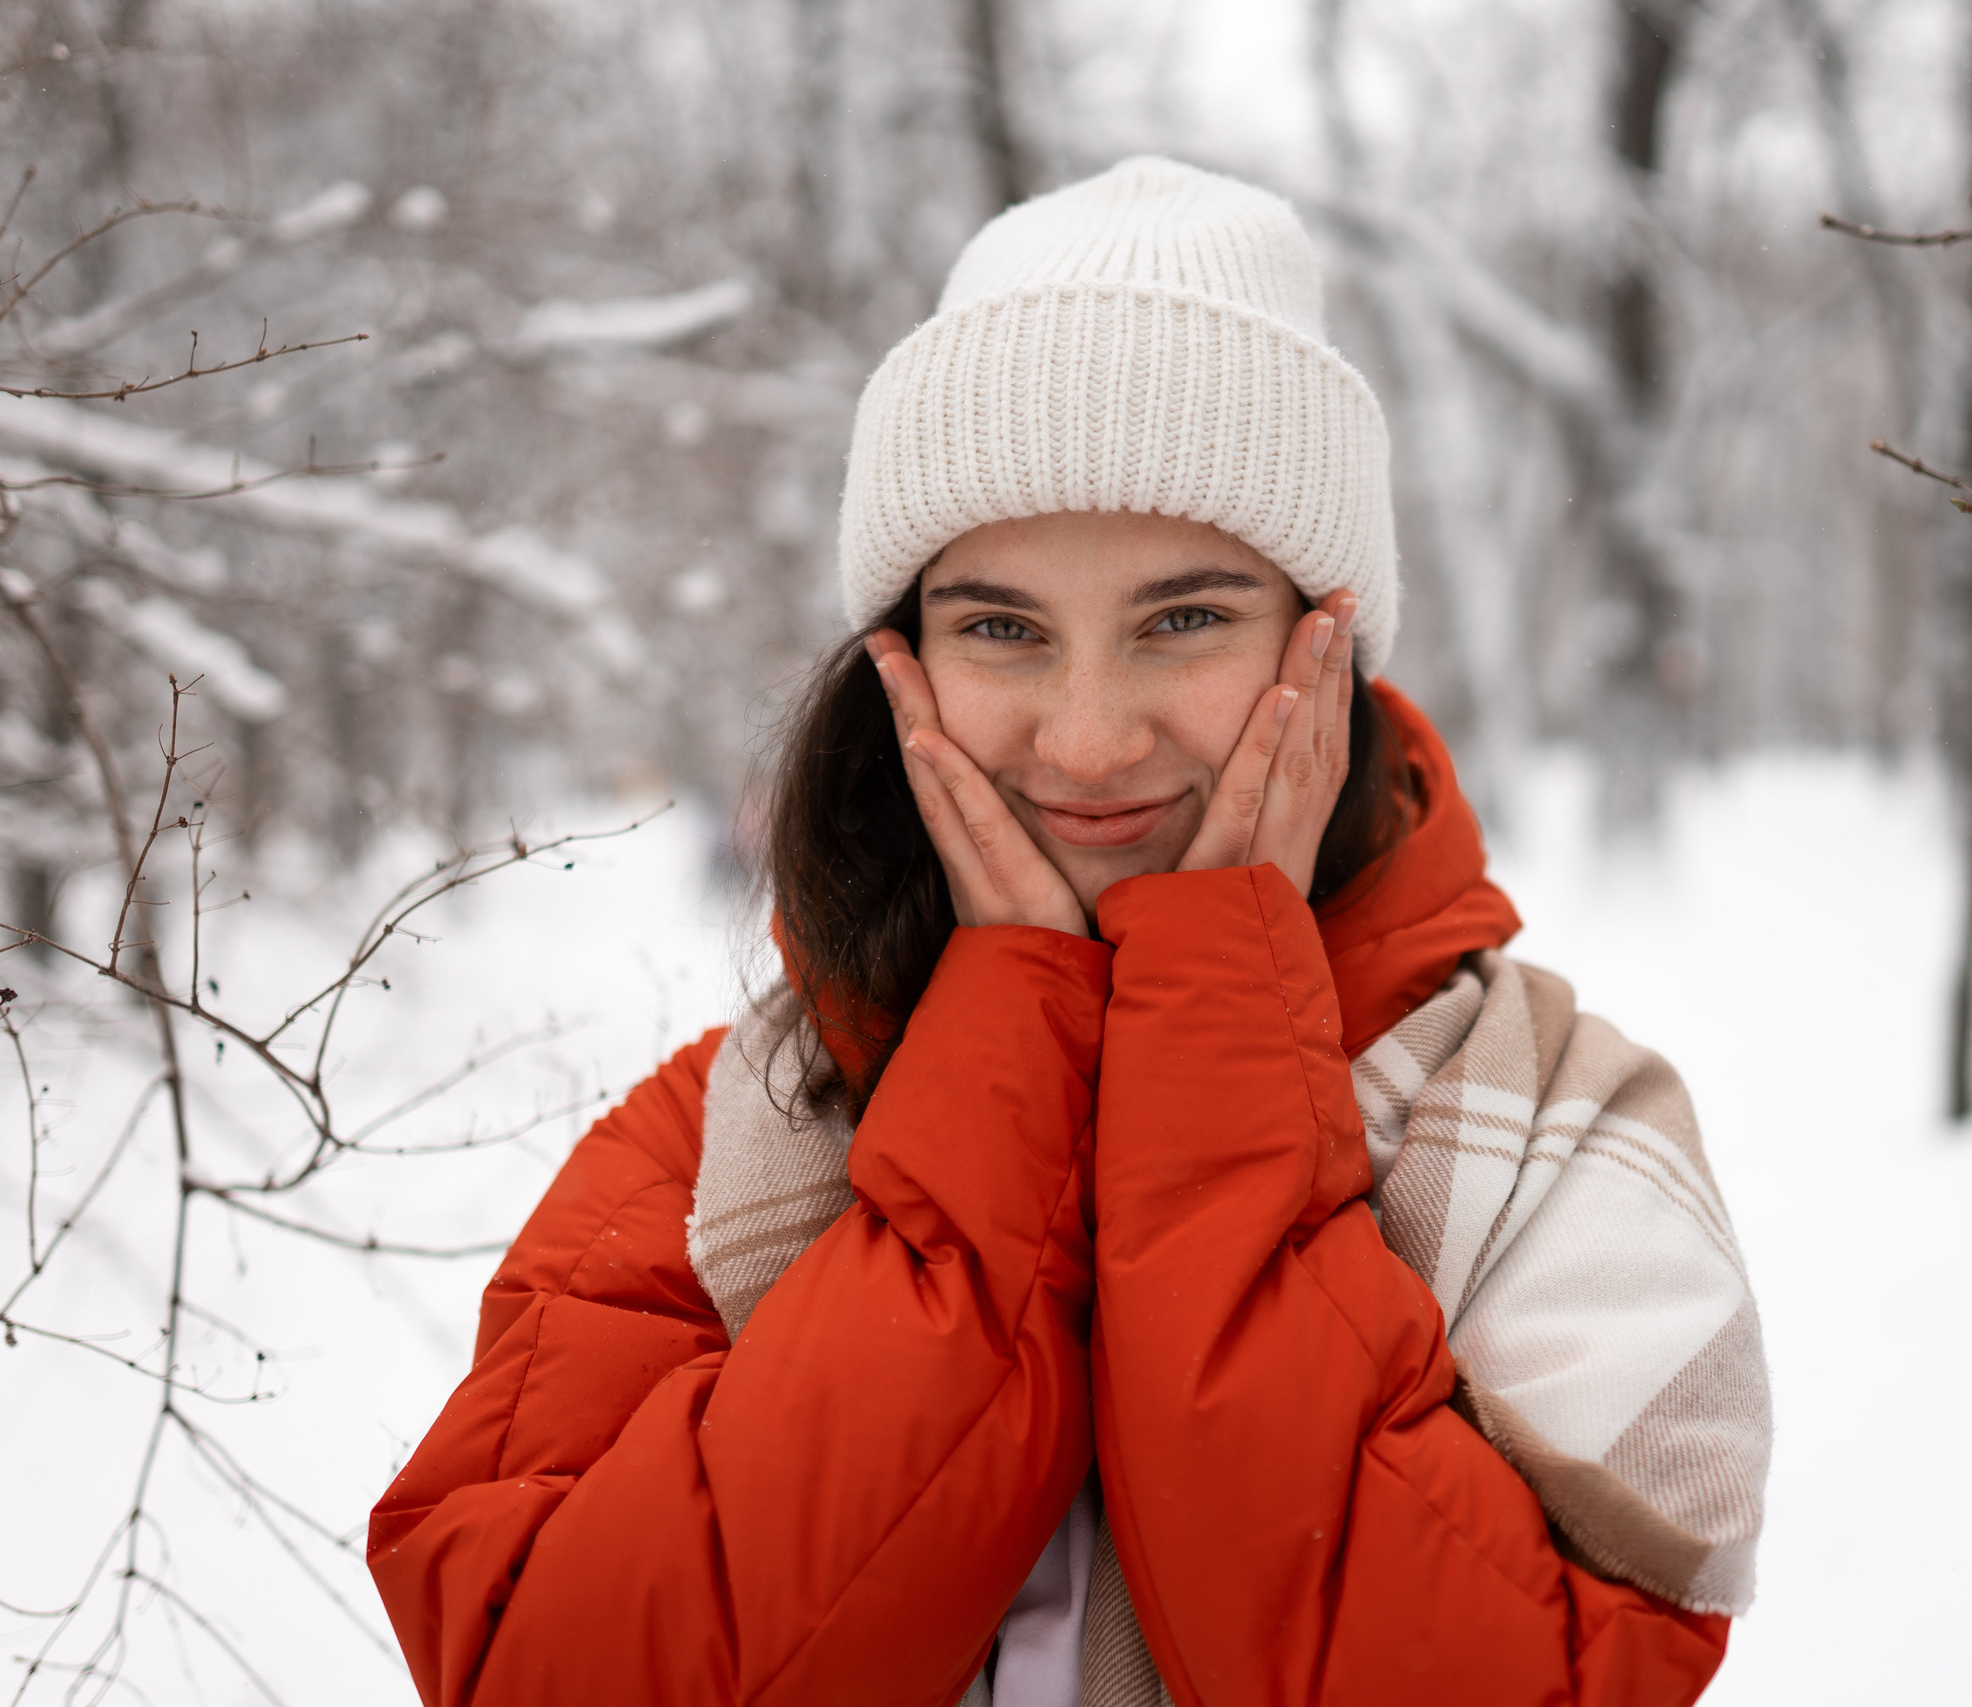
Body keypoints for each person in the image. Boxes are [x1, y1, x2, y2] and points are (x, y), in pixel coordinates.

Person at [369, 156, 1769, 1707]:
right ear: (899, 665)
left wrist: (1222, 1059)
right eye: (1001, 629)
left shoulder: (1569, 1128)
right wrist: (988, 1124)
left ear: (1333, 646)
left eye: (1186, 619)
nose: (1089, 741)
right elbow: (539, 1669)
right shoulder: (709, 1142)